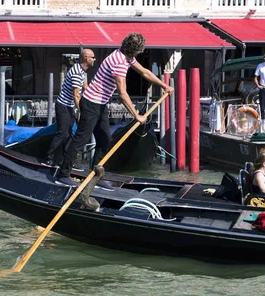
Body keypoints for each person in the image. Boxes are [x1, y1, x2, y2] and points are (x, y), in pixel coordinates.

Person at [56, 33, 173, 188]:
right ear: (135, 50)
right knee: (80, 140)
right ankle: (63, 174)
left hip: (101, 104)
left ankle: (96, 176)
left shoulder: (126, 57)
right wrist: (136, 115)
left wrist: (163, 86)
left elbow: (144, 72)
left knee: (105, 140)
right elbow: (122, 94)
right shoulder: (119, 62)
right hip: (91, 103)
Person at [45, 48, 94, 167]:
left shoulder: (82, 71)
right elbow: (76, 95)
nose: (94, 60)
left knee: (69, 134)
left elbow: (85, 88)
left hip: (68, 106)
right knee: (63, 133)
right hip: (63, 106)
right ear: (86, 58)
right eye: (93, 57)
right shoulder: (77, 72)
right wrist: (83, 111)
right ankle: (48, 158)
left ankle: (63, 160)